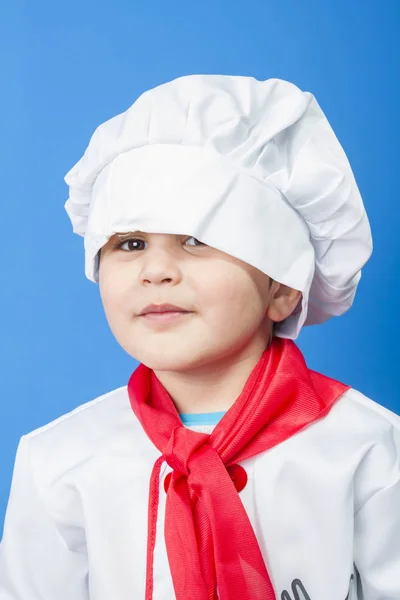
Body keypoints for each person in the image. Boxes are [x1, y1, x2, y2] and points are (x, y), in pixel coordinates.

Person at [0, 75, 399, 600]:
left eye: (197, 239)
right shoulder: (59, 462)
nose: (156, 270)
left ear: (282, 287)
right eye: (130, 242)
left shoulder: (369, 451)